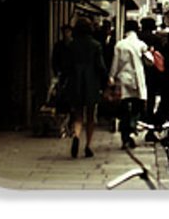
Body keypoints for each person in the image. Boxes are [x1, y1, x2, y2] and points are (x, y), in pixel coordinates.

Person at [63, 18, 106, 159]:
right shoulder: (96, 45)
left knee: (78, 114)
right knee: (90, 115)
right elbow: (100, 66)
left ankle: (76, 135)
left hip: (75, 82)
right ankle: (88, 146)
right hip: (91, 83)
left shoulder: (71, 46)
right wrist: (106, 81)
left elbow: (67, 67)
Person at [108, 20, 149, 149]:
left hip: (123, 79)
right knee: (137, 108)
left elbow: (116, 63)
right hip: (137, 80)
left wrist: (111, 76)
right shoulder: (141, 45)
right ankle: (132, 129)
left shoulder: (120, 45)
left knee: (124, 108)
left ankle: (125, 136)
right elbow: (150, 62)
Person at [138, 18, 163, 127]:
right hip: (153, 70)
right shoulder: (156, 39)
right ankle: (149, 114)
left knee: (140, 92)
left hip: (139, 68)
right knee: (151, 92)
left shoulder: (138, 38)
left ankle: (140, 114)